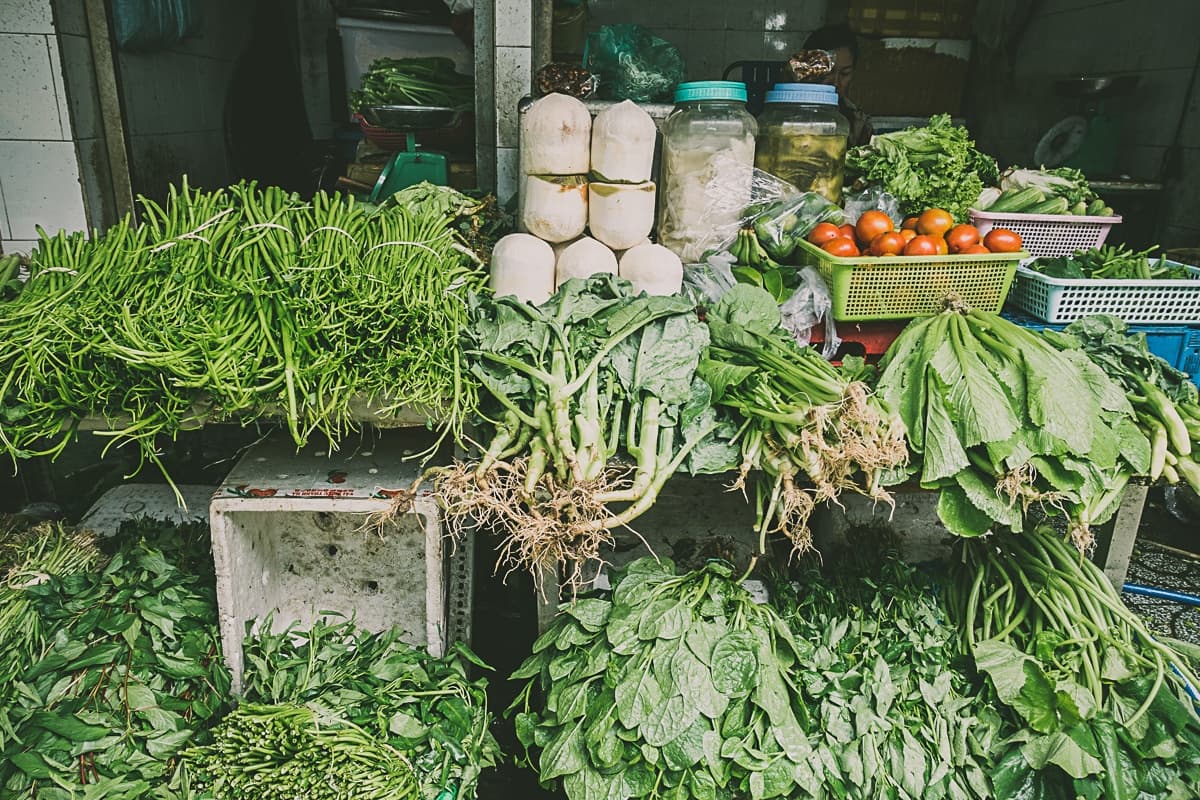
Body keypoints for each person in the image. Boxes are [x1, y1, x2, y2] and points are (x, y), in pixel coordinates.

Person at [803, 25, 874, 146]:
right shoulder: (787, 114)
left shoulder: (858, 123)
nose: (835, 82)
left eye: (845, 73)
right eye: (828, 72)